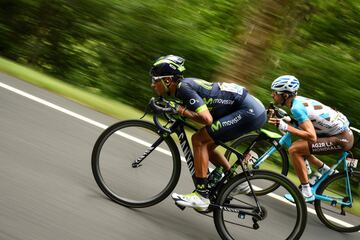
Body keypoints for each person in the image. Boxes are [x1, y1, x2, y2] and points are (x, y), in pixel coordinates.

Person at [150, 55, 267, 211]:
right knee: (207, 145)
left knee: (199, 140)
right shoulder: (184, 87)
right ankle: (236, 182)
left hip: (249, 112)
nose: (153, 85)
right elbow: (202, 114)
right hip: (251, 109)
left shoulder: (184, 88)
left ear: (167, 80)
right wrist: (178, 109)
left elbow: (206, 118)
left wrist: (180, 110)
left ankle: (201, 196)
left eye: (155, 80)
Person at [268, 75, 354, 202]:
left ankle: (307, 193)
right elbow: (311, 121)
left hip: (341, 139)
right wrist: (290, 120)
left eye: (275, 92)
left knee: (295, 149)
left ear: (285, 96)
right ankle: (323, 169)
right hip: (339, 133)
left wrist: (285, 126)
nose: (272, 95)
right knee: (302, 145)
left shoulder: (296, 108)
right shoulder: (298, 101)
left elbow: (312, 137)